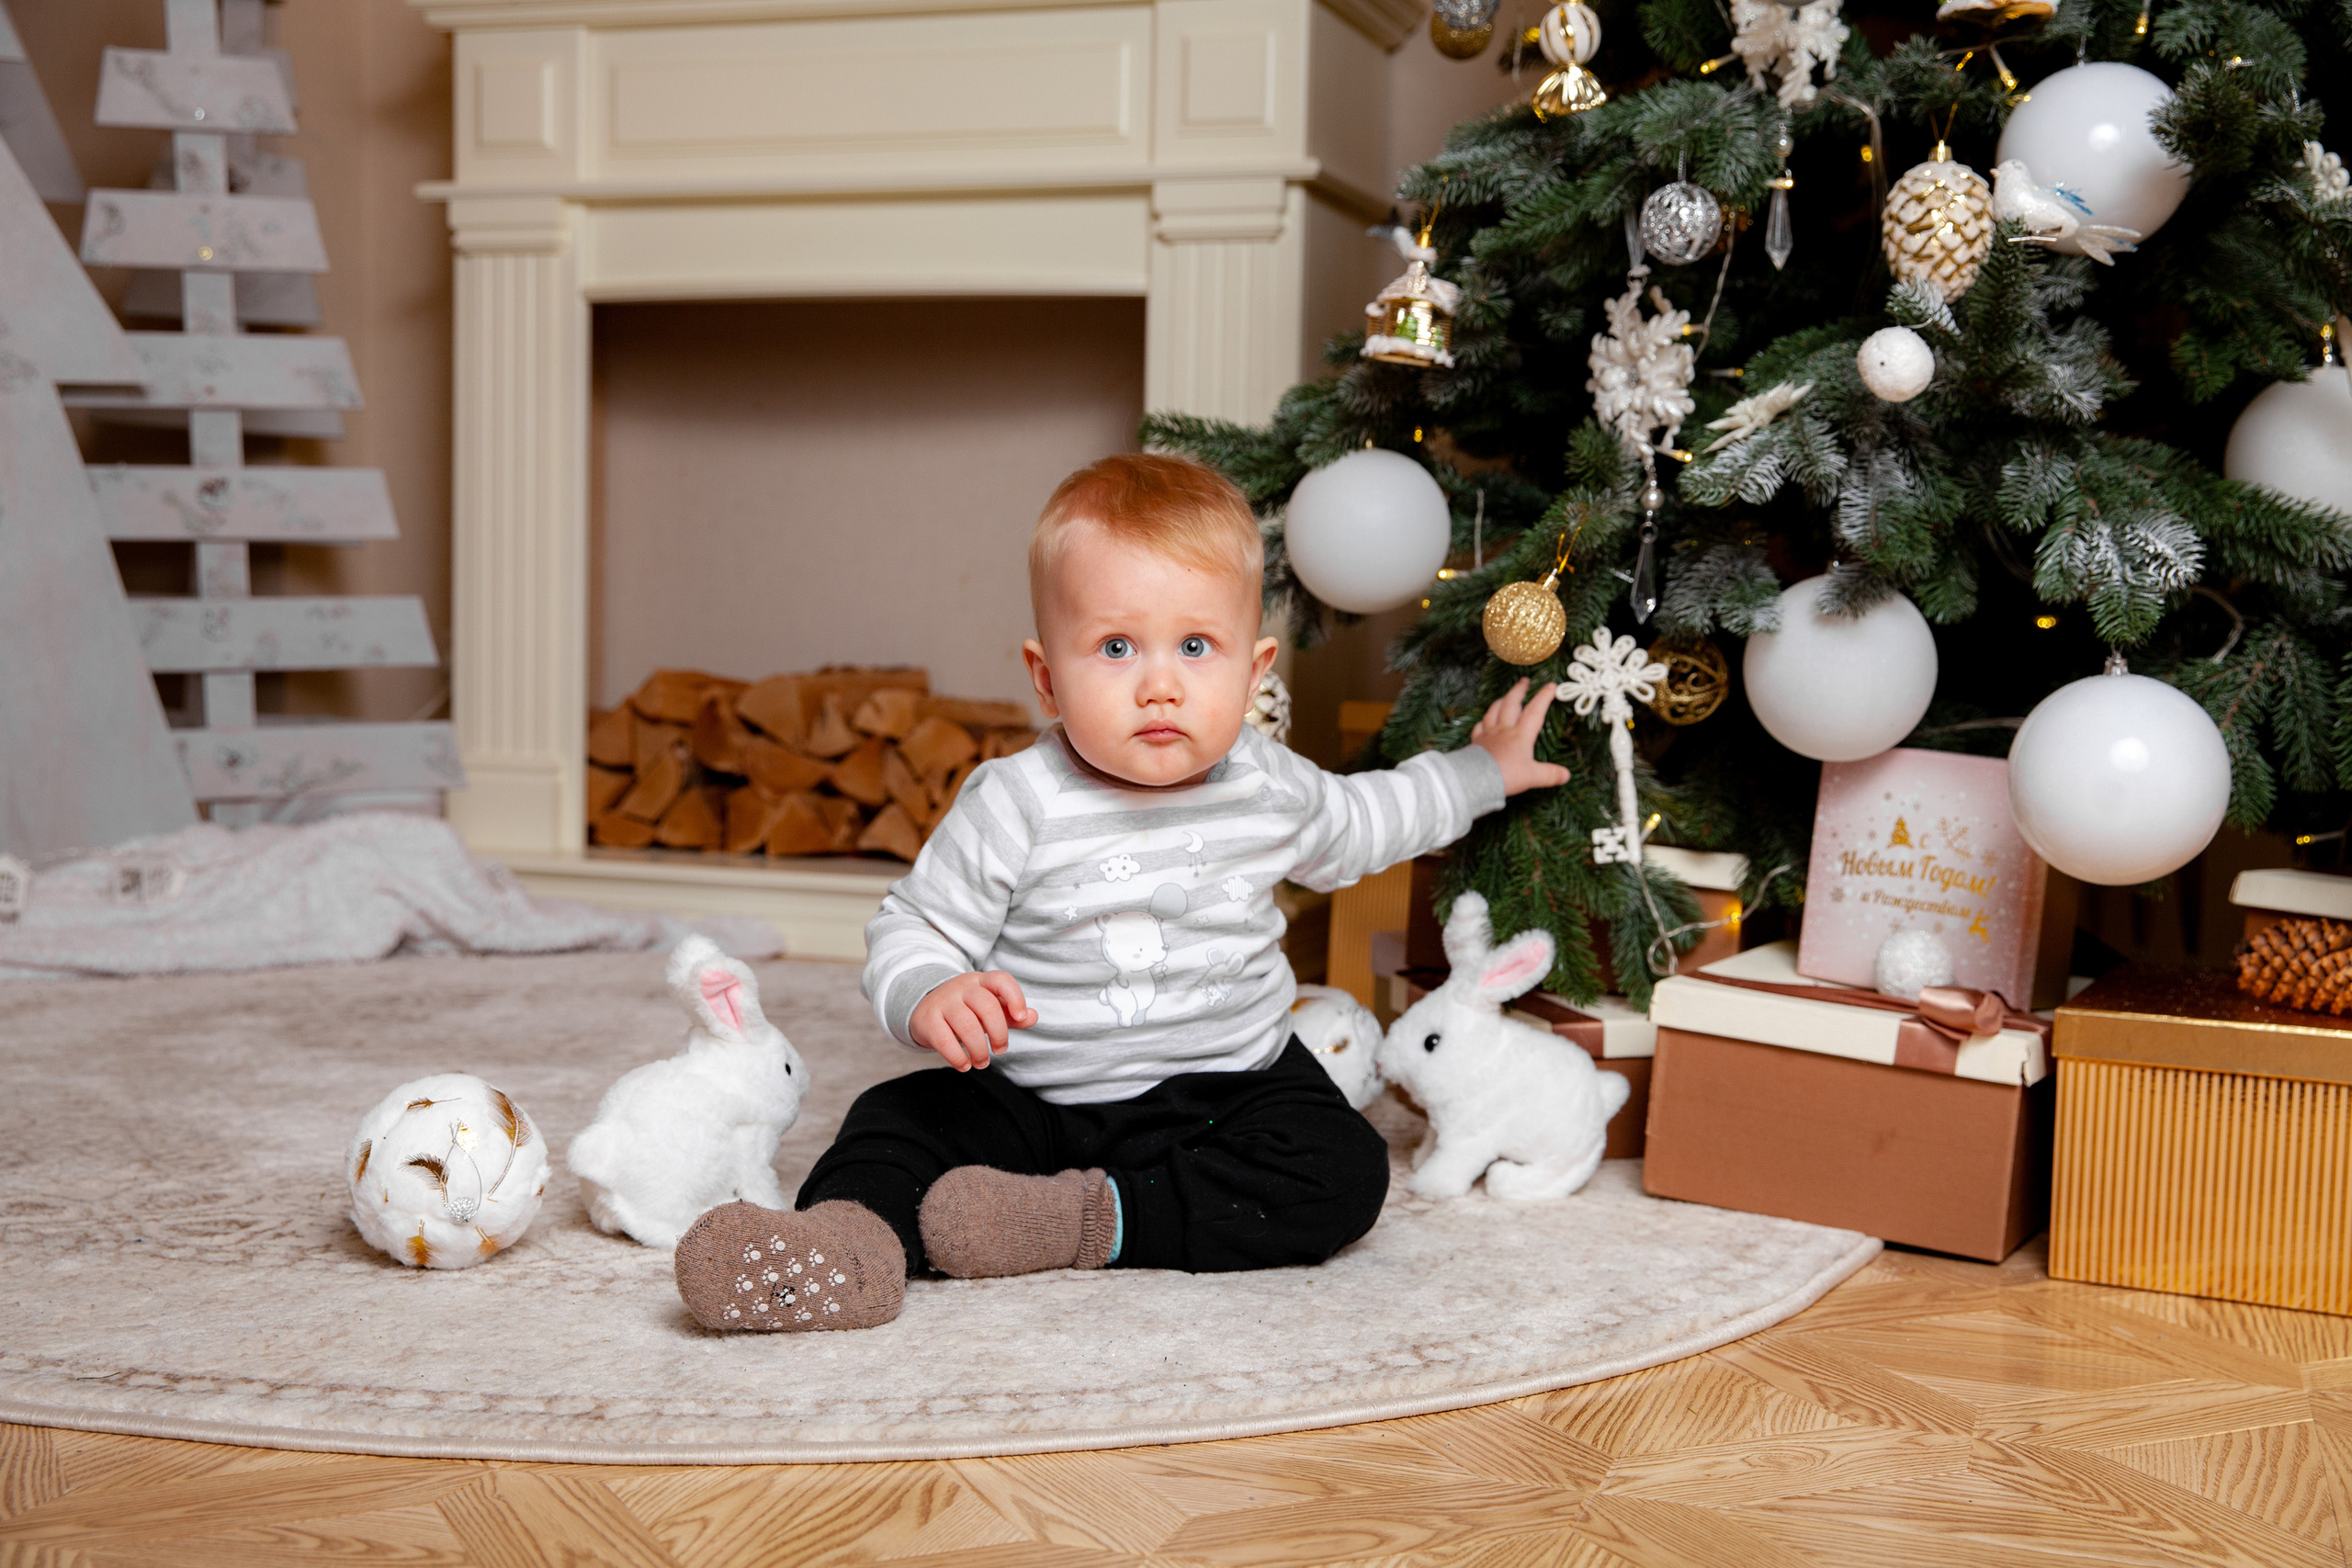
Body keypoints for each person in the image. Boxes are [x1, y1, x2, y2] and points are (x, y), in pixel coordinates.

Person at [672, 453, 1569, 1332]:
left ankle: (1080, 1223)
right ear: (1044, 676)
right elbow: (916, 925)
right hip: (1033, 1093)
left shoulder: (1268, 786)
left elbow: (1370, 818)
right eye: (1113, 647)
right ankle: (842, 1249)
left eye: (1193, 645)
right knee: (892, 1120)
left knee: (1343, 1169)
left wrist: (1481, 773)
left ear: (1255, 672)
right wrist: (932, 991)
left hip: (1228, 1086)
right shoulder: (1015, 800)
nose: (1159, 684)